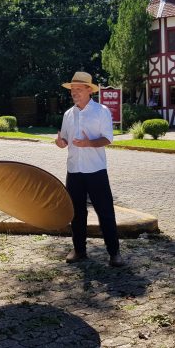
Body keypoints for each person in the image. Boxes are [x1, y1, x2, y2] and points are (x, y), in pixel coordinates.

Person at [54, 71, 123, 267]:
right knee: (76, 213)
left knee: (105, 212)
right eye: (72, 89)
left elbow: (107, 138)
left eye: (78, 89)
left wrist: (89, 143)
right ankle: (79, 250)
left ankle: (114, 253)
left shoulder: (101, 111)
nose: (74, 92)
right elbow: (65, 139)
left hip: (96, 170)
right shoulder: (68, 114)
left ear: (88, 90)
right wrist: (60, 142)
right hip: (74, 170)